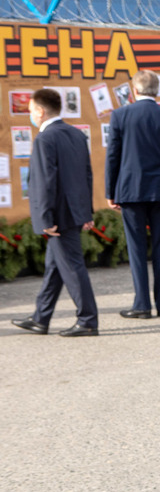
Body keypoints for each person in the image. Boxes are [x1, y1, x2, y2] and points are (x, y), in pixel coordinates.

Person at [10, 88, 99, 337]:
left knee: (71, 267)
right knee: (54, 267)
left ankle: (88, 320)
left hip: (58, 216)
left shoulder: (45, 138)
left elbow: (44, 182)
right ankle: (41, 317)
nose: (31, 116)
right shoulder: (75, 134)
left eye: (30, 111)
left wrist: (45, 218)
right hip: (73, 212)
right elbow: (86, 176)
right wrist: (86, 212)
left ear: (40, 111)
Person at [105, 69, 160, 318]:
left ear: (134, 90)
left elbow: (113, 157)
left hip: (129, 190)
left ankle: (141, 305)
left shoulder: (120, 115)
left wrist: (111, 191)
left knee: (136, 248)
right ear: (157, 90)